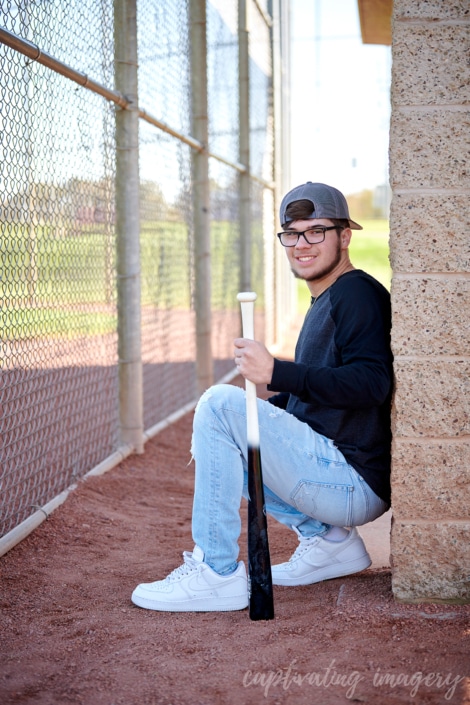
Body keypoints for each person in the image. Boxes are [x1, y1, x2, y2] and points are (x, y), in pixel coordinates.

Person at [131, 181, 393, 612]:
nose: (301, 244)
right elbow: (311, 400)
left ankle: (216, 573)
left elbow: (371, 383)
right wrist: (266, 409)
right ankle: (329, 542)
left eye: (316, 231)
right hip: (337, 479)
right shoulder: (326, 298)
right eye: (292, 233)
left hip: (352, 481)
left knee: (219, 403)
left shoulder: (356, 294)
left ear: (344, 236)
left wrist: (275, 372)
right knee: (233, 422)